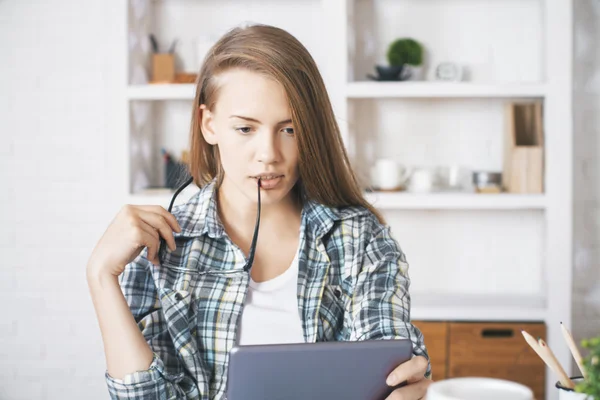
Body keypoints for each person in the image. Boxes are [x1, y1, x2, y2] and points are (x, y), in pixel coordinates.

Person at [87, 23, 431, 400]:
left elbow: (385, 364)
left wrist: (403, 388)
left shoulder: (359, 239)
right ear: (209, 125)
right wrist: (101, 276)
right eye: (246, 129)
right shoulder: (158, 248)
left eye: (289, 129)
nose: (268, 154)